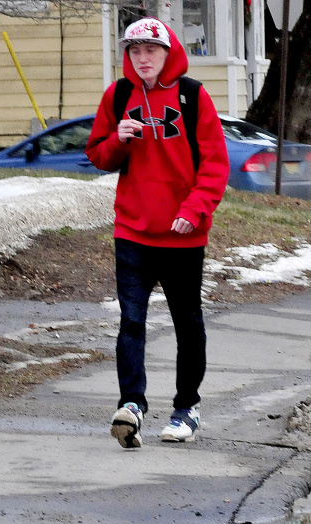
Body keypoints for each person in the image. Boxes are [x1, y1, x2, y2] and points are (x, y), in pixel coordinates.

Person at [85, 18, 230, 448]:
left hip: (183, 234)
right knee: (131, 321)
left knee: (188, 323)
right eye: (134, 50)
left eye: (151, 49)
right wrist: (118, 140)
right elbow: (98, 154)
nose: (142, 58)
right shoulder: (118, 96)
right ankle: (131, 406)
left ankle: (187, 408)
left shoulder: (192, 96)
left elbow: (215, 166)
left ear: (168, 52)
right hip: (132, 229)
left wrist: (194, 209)